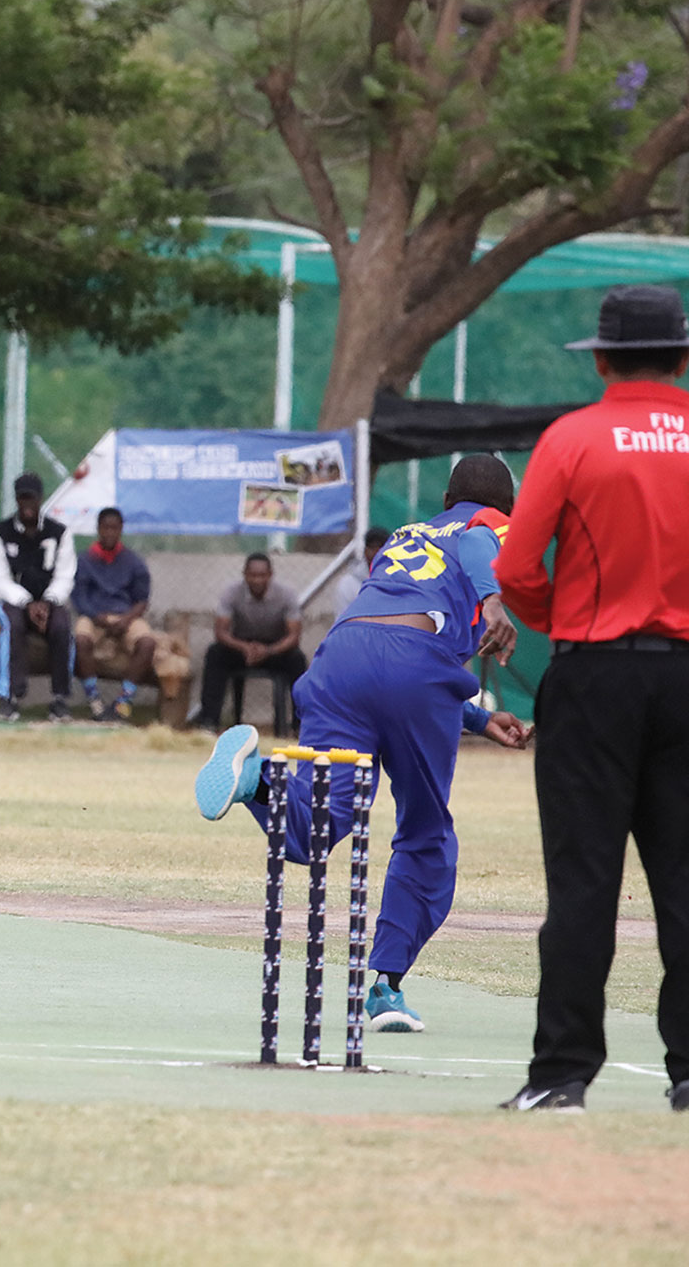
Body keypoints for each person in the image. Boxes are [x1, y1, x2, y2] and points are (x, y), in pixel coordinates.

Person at [194, 454, 530, 1034]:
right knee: (426, 837)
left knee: (312, 828)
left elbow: (396, 630)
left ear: (445, 498)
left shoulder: (409, 533)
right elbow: (476, 548)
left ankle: (257, 779)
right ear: (507, 508)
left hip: (342, 662)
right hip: (414, 668)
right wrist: (495, 601)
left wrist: (476, 719)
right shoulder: (488, 528)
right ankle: (385, 990)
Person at [493, 284, 689, 1113]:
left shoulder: (573, 437)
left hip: (593, 671)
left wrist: (562, 623)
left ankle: (563, 1074)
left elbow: (514, 569)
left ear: (602, 358)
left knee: (583, 880)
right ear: (681, 357)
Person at [0, 472, 74, 723]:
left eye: (31, 499)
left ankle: (60, 699)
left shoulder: (60, 532)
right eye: (22, 498)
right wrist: (26, 602)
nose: (27, 504)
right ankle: (8, 697)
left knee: (62, 626)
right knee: (10, 626)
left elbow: (65, 575)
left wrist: (47, 601)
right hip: (15, 601)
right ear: (16, 499)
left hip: (50, 601)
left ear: (40, 499)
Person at [197, 553, 307, 731]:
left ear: (270, 575)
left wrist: (268, 651)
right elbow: (220, 632)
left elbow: (294, 636)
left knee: (297, 660)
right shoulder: (231, 593)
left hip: (274, 648)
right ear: (244, 574)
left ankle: (300, 726)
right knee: (215, 654)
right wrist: (244, 647)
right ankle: (209, 723)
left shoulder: (286, 594)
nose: (257, 580)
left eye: (262, 575)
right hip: (240, 646)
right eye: (252, 575)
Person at [71, 507, 157, 722]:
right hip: (94, 617)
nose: (109, 532)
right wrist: (97, 617)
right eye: (105, 527)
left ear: (121, 530)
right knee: (80, 640)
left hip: (126, 616)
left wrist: (126, 620)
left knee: (147, 643)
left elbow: (142, 600)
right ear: (98, 529)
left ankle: (123, 702)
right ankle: (95, 702)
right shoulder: (84, 560)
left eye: (114, 528)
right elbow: (79, 598)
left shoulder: (134, 561)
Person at [332, 527, 391, 611]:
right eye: (372, 548)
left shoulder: (399, 582)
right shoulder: (348, 584)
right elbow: (343, 621)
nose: (376, 553)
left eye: (381, 548)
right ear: (365, 551)